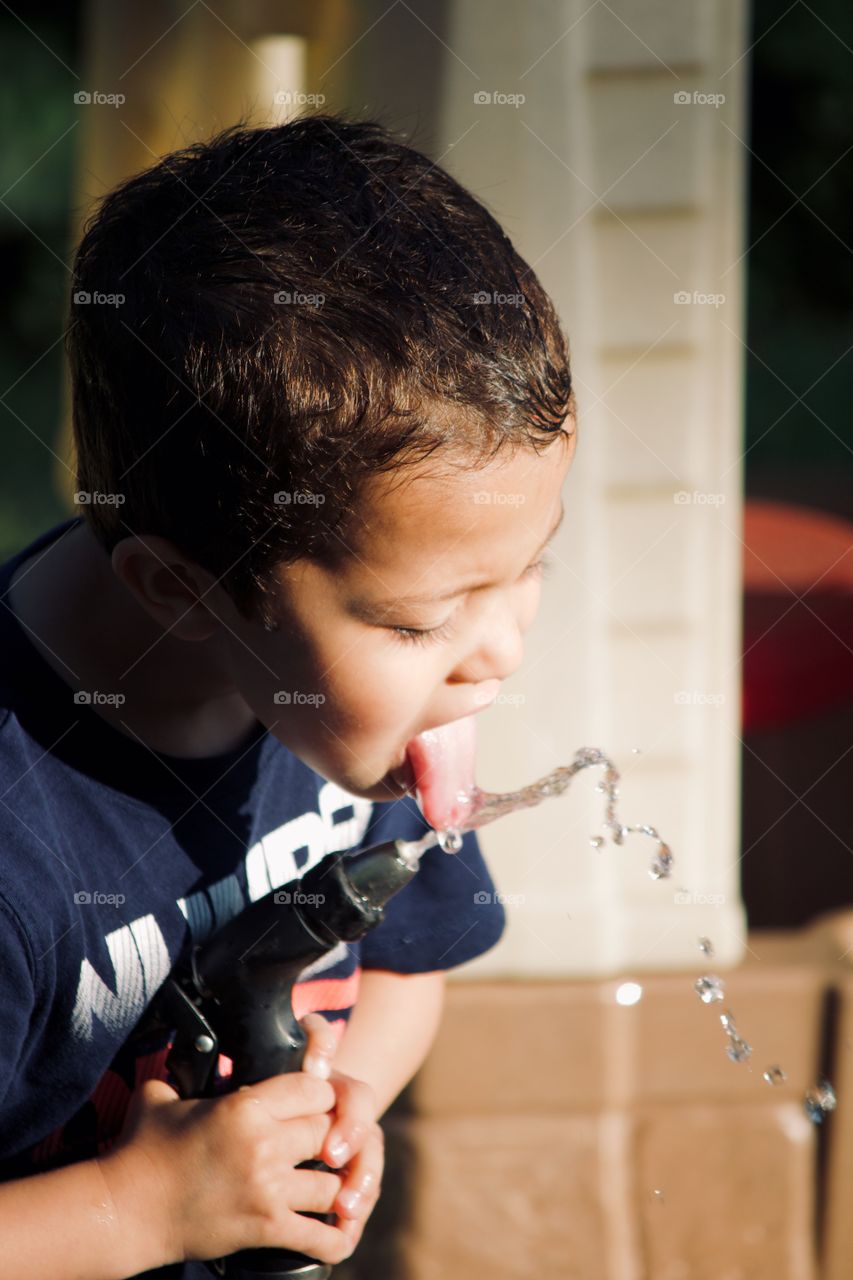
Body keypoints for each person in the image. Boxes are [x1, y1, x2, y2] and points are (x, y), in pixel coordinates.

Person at [0, 113, 575, 1278]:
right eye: (419, 620)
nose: (497, 652)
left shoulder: (349, 712)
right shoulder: (17, 844)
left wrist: (341, 1099)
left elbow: (407, 958)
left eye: (529, 569)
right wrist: (137, 1208)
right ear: (182, 589)